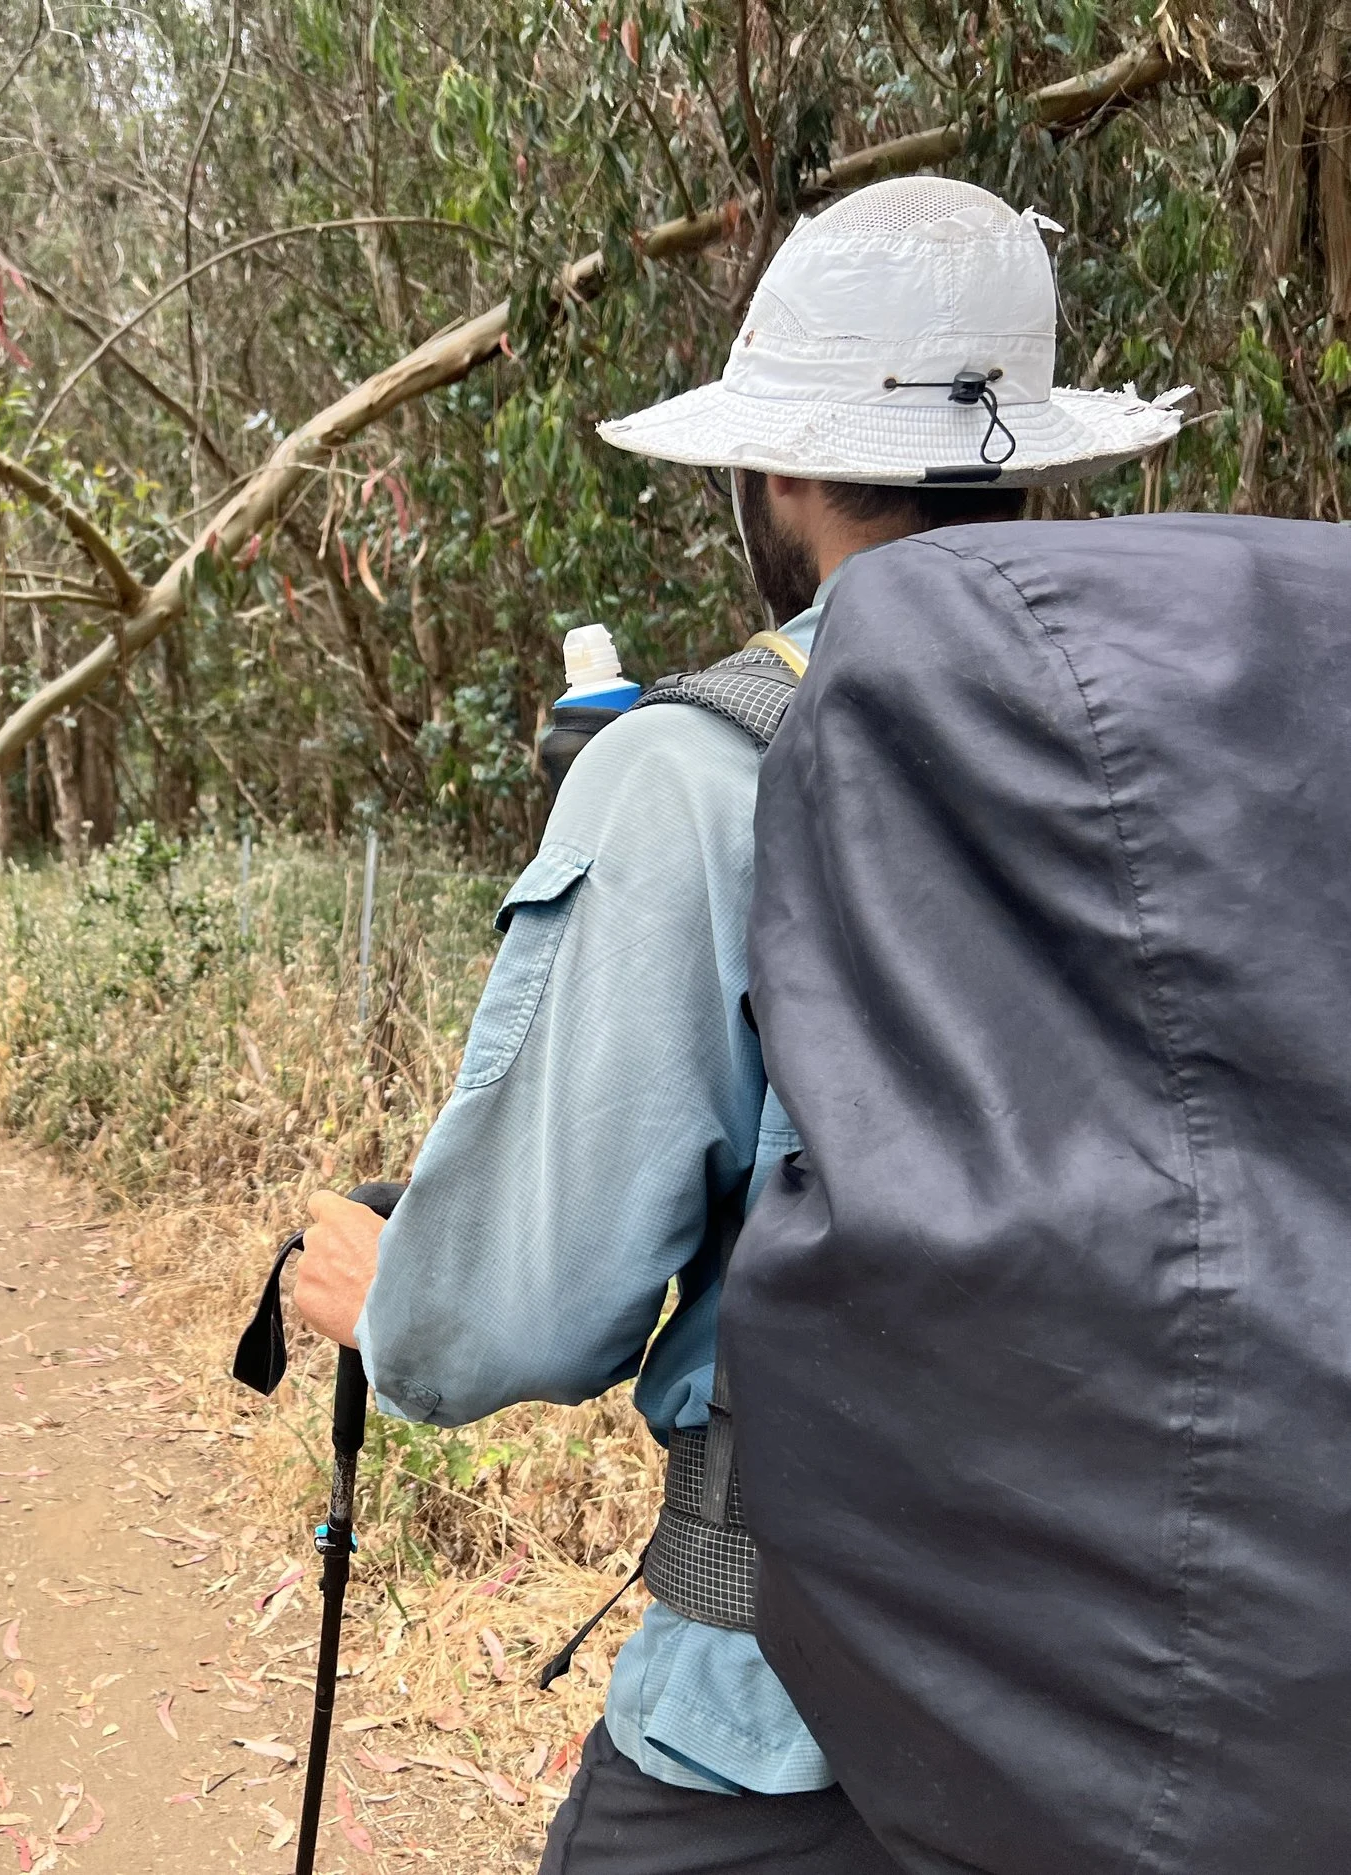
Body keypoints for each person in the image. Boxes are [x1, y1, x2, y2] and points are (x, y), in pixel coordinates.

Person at [290, 175, 1182, 1875]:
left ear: (776, 468)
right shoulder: (1176, 743)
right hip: (1139, 1698)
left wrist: (392, 1297)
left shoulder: (696, 776)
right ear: (1036, 464)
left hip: (793, 1720)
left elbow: (529, 1310)